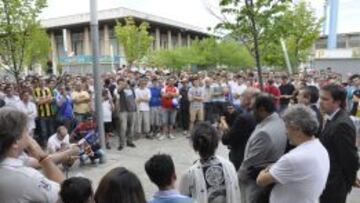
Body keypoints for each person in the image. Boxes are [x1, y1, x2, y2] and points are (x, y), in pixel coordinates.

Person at [256, 105, 330, 203]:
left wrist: (267, 169)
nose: (285, 132)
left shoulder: (293, 158)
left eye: (287, 127)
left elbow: (261, 181)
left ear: (298, 129)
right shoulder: (320, 148)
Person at [0, 107, 64, 202]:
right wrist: (43, 157)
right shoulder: (28, 177)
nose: (29, 136)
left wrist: (68, 152)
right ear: (15, 142)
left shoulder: (13, 159)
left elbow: (33, 162)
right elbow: (66, 194)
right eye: (26, 131)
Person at [238, 93, 287, 203]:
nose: (251, 112)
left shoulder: (265, 133)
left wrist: (236, 179)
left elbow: (249, 164)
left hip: (255, 184)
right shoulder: (278, 121)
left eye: (252, 109)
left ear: (262, 110)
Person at [179, 122, 240, 203]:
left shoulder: (189, 174)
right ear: (216, 143)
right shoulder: (229, 166)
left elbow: (183, 199)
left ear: (195, 145)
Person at [319, 84, 360, 203]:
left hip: (335, 183)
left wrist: (351, 178)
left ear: (337, 102)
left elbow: (350, 156)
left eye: (325, 99)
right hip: (329, 179)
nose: (320, 102)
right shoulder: (333, 117)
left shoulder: (341, 124)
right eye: (320, 98)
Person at [220, 88, 258, 170]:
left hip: (240, 156)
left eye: (241, 96)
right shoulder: (258, 113)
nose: (239, 99)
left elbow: (227, 139)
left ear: (247, 99)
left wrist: (224, 128)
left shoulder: (243, 118)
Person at [115, 78, 137, 150]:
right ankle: (121, 144)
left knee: (131, 127)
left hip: (132, 110)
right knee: (123, 128)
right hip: (123, 111)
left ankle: (129, 141)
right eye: (122, 82)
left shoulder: (131, 89)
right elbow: (118, 90)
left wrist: (135, 108)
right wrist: (123, 84)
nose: (125, 83)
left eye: (126, 82)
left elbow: (134, 99)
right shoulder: (120, 90)